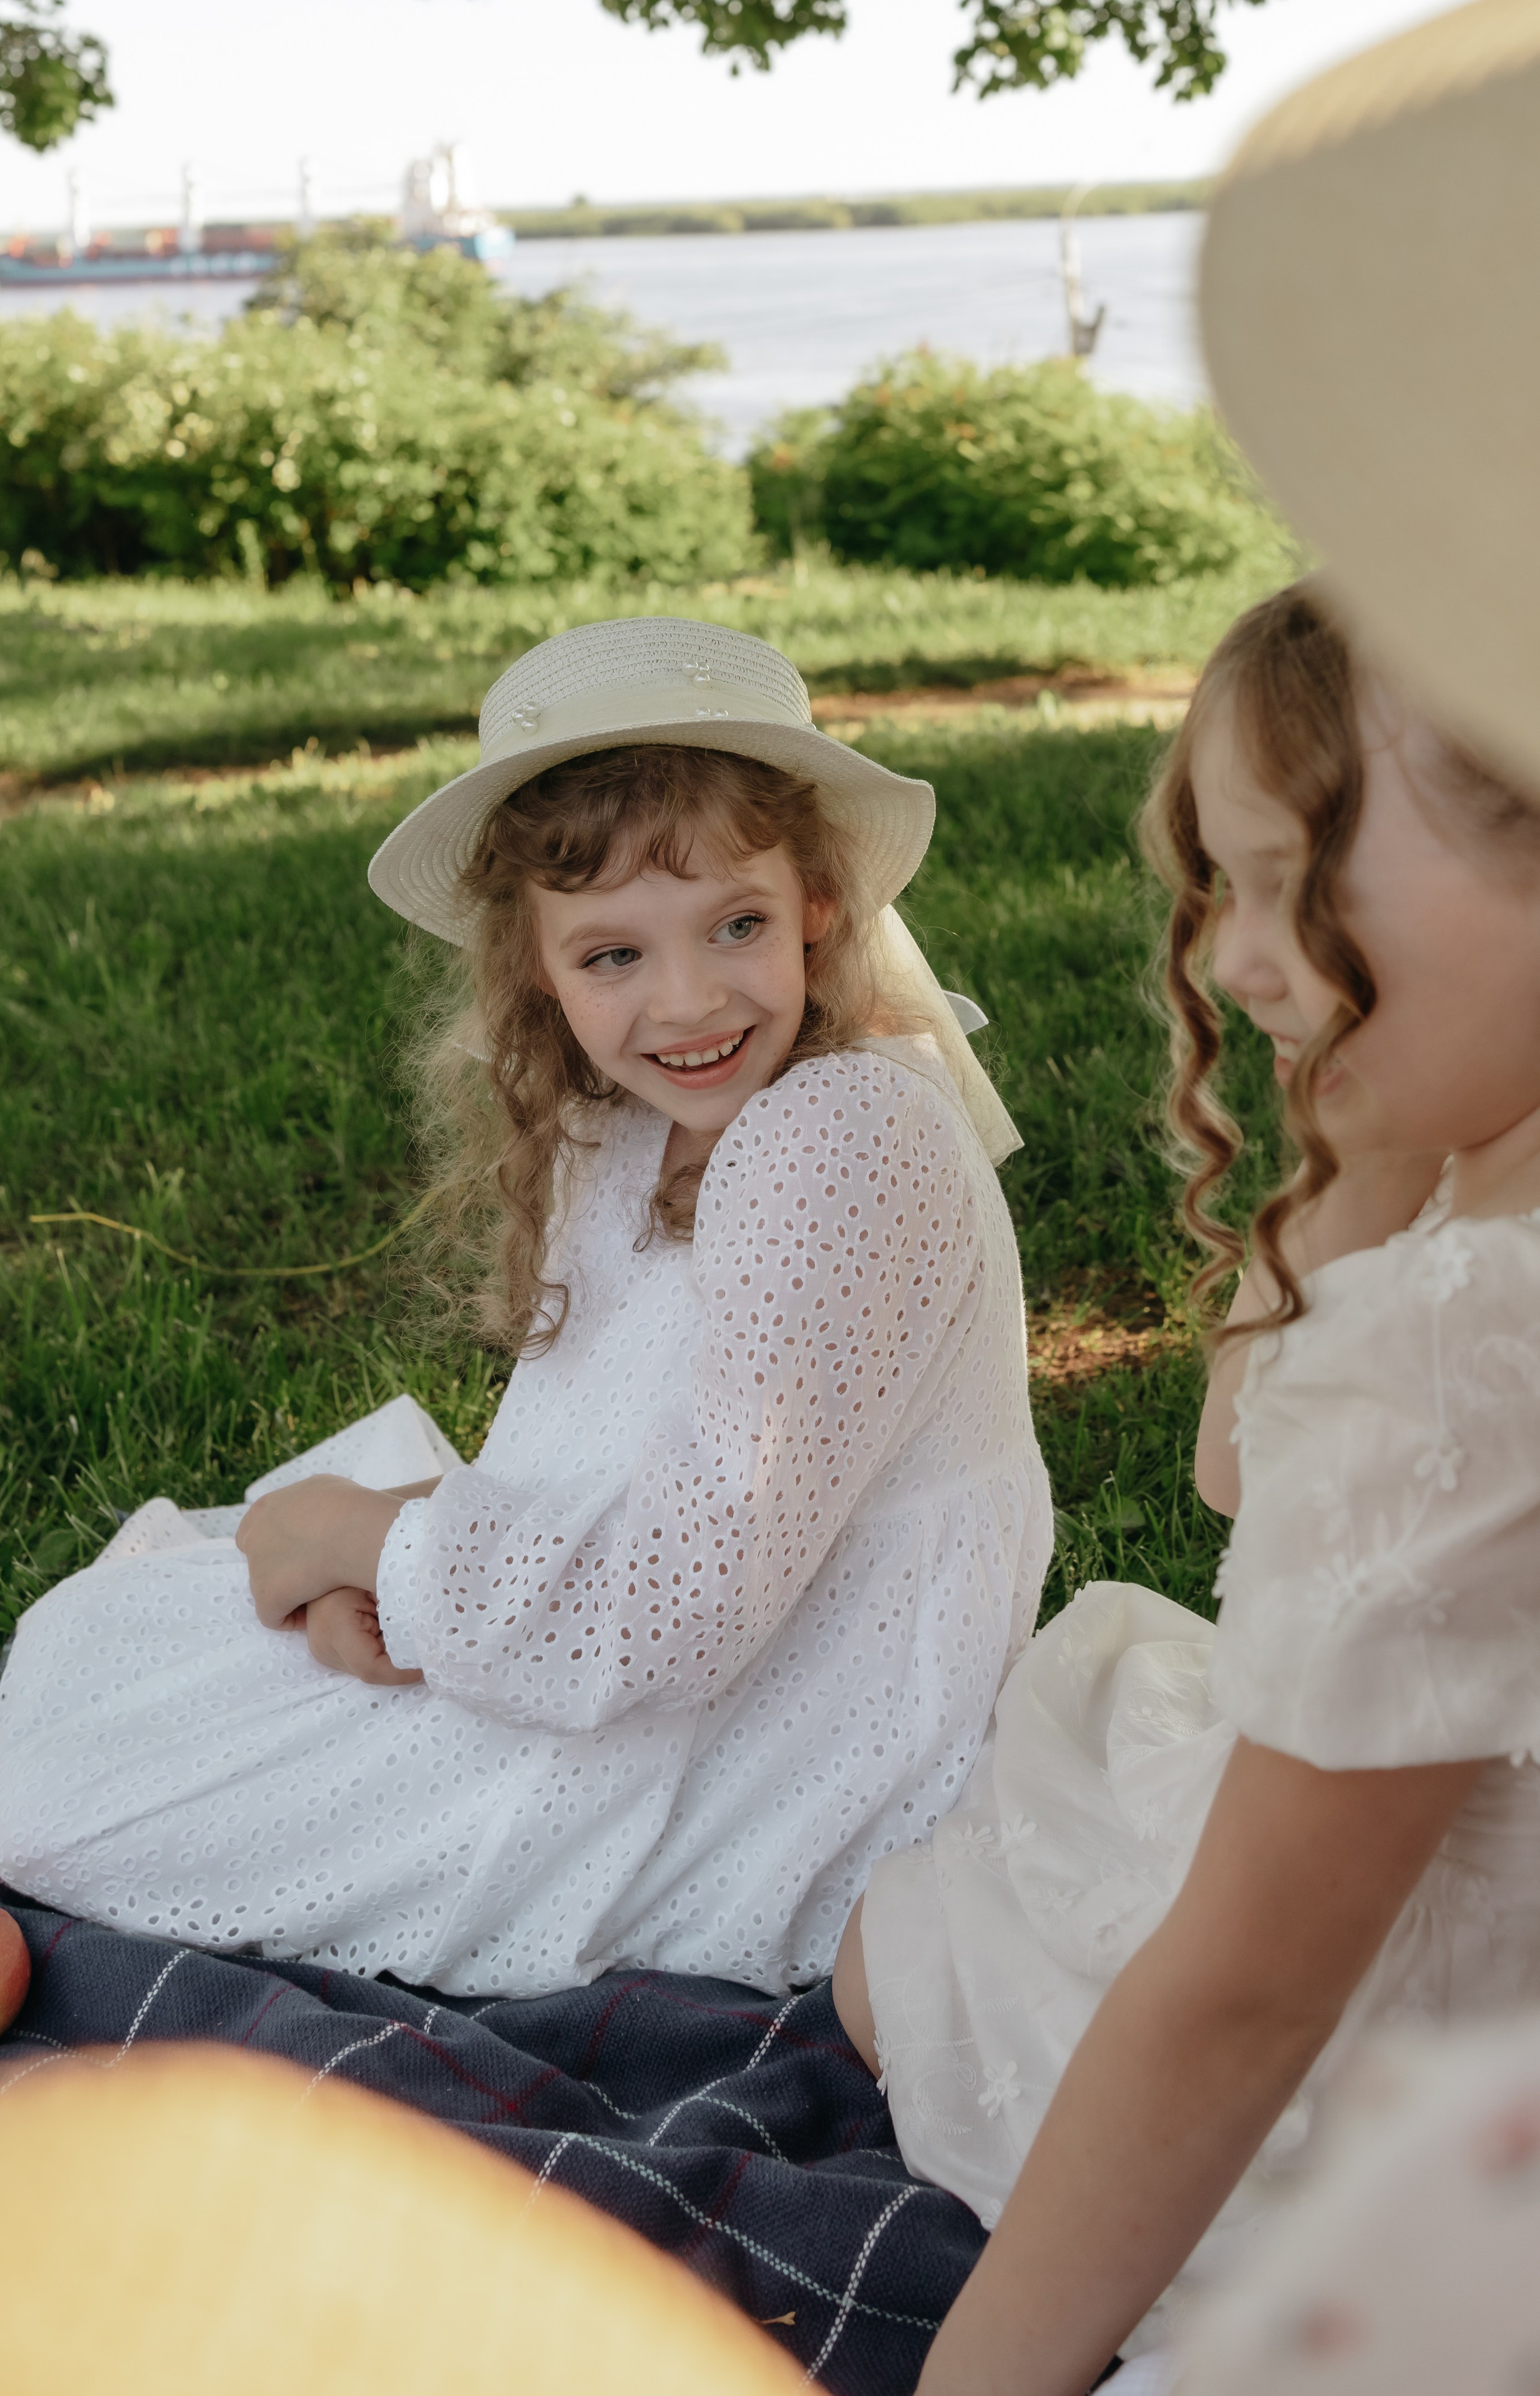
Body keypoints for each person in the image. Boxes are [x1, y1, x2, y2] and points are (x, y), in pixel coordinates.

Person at [0, 616, 1052, 2000]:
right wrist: (353, 1583)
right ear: (536, 963)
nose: (686, 1001)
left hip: (781, 1736)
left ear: (817, 911)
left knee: (68, 1799)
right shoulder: (624, 1128)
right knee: (88, 1652)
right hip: (604, 1637)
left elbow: (682, 1608)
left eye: (735, 925)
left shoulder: (837, 1134)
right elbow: (577, 1471)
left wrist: (350, 1533)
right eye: (611, 956)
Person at [831, 580, 1540, 2390]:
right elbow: (1235, 1471)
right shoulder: (1459, 1173)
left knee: (890, 1959)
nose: (1234, 958)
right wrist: (1362, 1174)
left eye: (1297, 874)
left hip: (1437, 2067)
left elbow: (1240, 2000)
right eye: (1223, 882)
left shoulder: (1468, 1337)